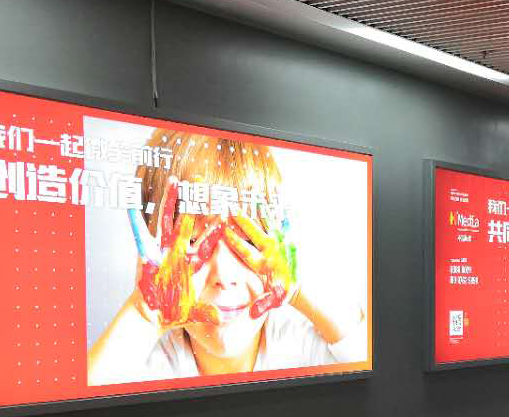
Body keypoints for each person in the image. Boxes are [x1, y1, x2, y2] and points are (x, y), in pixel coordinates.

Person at [87, 128, 366, 384]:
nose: (224, 276)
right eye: (192, 242)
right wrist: (146, 314)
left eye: (248, 242)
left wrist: (297, 290)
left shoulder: (301, 343)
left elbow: (378, 363)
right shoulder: (142, 362)